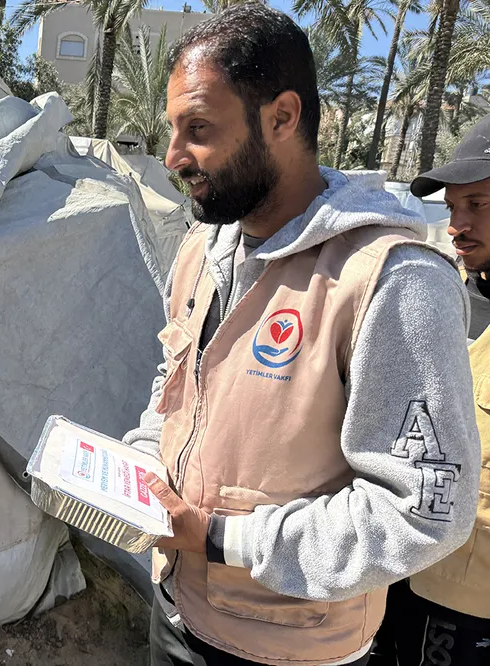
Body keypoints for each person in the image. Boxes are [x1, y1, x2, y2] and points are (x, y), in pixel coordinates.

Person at [121, 5, 480, 666]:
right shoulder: (203, 248)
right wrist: (135, 468)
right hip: (176, 610)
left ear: (282, 118)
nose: (173, 156)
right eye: (174, 130)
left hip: (293, 650)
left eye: (198, 129)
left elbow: (425, 513)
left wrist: (223, 539)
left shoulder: (390, 281)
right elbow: (176, 389)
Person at [370, 114, 490, 666]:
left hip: (468, 598)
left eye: (479, 206)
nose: (458, 224)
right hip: (395, 571)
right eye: (453, 207)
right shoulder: (440, 300)